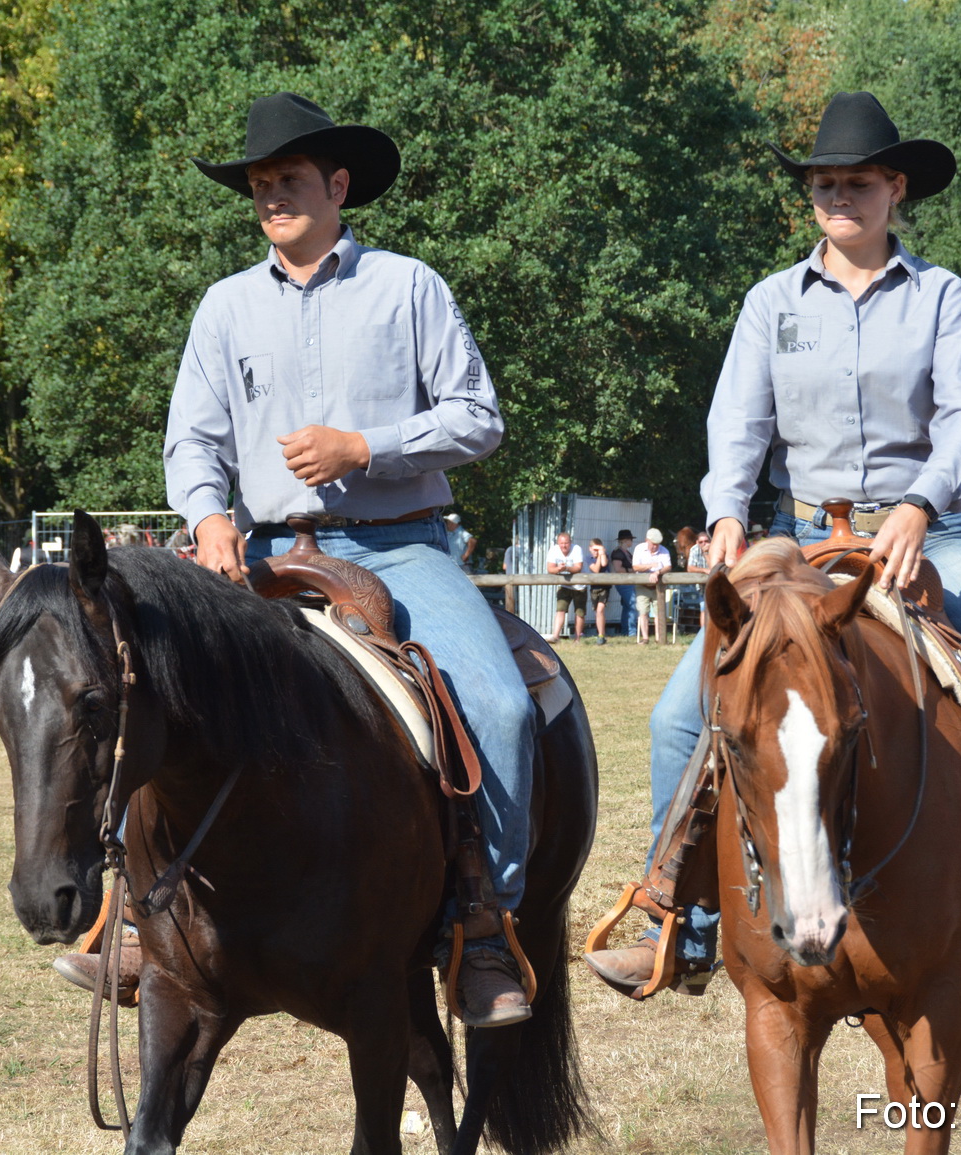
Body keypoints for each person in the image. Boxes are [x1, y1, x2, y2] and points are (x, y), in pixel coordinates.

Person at [584, 90, 961, 1001]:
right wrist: (729, 514)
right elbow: (736, 425)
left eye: (857, 181)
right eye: (823, 182)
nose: (837, 195)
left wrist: (917, 503)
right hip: (797, 546)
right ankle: (681, 924)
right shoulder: (768, 302)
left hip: (929, 536)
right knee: (675, 716)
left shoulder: (941, 296)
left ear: (896, 189)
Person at [153, 92, 532, 1026]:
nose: (273, 195)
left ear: (338, 184)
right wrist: (208, 524)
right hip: (262, 556)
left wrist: (365, 448)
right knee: (144, 698)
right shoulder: (224, 308)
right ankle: (138, 918)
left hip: (398, 550)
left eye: (290, 178)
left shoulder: (409, 287)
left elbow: (479, 419)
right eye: (259, 183)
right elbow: (190, 445)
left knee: (502, 705)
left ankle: (482, 923)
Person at [631, 527, 673, 643]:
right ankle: (645, 638)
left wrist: (657, 572)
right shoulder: (639, 549)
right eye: (653, 544)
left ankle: (659, 637)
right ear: (647, 540)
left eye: (657, 544)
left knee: (659, 612)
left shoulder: (664, 550)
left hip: (657, 587)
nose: (655, 546)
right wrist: (651, 566)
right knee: (643, 612)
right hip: (642, 586)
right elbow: (635, 567)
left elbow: (668, 566)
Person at [545, 531, 587, 642]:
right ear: (558, 543)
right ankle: (556, 636)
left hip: (579, 586)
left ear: (570, 542)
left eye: (566, 543)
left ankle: (577, 639)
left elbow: (578, 567)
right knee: (560, 610)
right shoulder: (553, 550)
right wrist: (558, 569)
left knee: (579, 612)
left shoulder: (577, 549)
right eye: (561, 543)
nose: (564, 546)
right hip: (564, 585)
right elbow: (550, 569)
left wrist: (567, 568)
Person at [608, 529, 638, 637]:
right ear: (625, 540)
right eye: (630, 539)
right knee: (633, 604)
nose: (631, 542)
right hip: (623, 582)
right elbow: (618, 568)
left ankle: (626, 631)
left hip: (628, 582)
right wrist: (631, 571)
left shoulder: (626, 553)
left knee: (627, 606)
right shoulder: (618, 553)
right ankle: (631, 631)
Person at [585, 538, 611, 643]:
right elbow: (595, 569)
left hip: (604, 587)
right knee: (597, 611)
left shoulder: (605, 555)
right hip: (594, 588)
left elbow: (604, 564)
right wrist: (598, 555)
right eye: (594, 549)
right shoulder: (588, 558)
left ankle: (601, 635)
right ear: (590, 549)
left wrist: (601, 553)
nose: (595, 552)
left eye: (598, 549)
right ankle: (600, 634)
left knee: (600, 609)